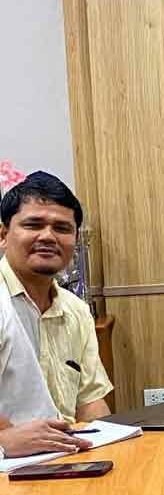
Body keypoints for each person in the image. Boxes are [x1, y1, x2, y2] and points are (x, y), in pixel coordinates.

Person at [0, 171, 111, 458]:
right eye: (33, 224)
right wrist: (5, 442)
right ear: (3, 235)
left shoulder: (76, 311)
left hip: (69, 464)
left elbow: (91, 403)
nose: (48, 236)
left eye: (62, 228)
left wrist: (110, 449)